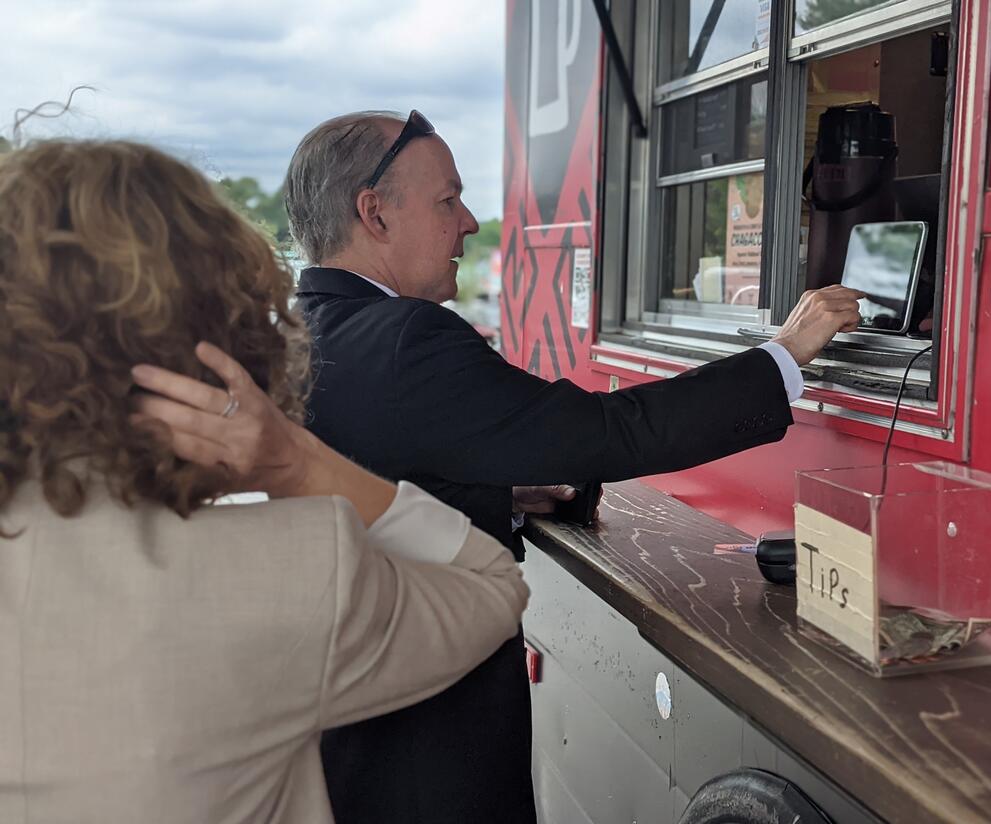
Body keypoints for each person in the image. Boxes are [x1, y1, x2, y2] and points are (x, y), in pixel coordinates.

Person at [283, 109, 863, 823]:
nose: (468, 222)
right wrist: (783, 357)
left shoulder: (302, 329)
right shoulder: (405, 338)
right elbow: (607, 433)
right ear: (373, 213)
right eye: (447, 200)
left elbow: (376, 474)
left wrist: (489, 489)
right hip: (424, 753)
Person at [0, 139, 528, 824]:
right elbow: (491, 587)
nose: (464, 220)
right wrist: (296, 463)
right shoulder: (283, 572)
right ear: (219, 334)